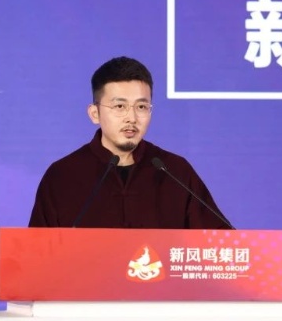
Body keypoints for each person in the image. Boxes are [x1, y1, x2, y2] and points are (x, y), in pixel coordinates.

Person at [28, 56, 231, 229]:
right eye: (119, 106)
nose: (131, 118)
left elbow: (221, 245)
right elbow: (36, 253)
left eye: (141, 107)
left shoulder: (175, 171)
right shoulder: (62, 176)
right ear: (94, 113)